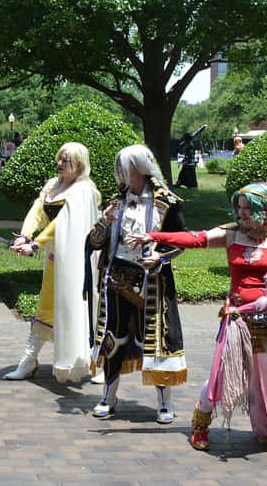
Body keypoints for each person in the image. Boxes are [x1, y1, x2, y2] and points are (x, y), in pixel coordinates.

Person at [125, 181, 267, 457]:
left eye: (248, 209)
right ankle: (200, 426)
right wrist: (155, 236)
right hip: (238, 317)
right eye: (239, 208)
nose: (242, 214)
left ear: (266, 209)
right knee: (219, 376)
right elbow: (196, 238)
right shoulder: (232, 234)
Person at [87, 144, 188, 423]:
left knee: (154, 341)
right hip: (117, 278)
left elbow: (181, 240)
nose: (122, 175)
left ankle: (165, 403)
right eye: (120, 169)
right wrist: (103, 223)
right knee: (113, 338)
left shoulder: (167, 202)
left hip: (152, 282)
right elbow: (95, 243)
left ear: (141, 169)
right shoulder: (116, 201)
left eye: (127, 169)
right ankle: (108, 396)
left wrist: (159, 256)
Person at [6, 143, 102, 384]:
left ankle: (97, 364)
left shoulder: (84, 190)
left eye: (65, 160)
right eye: (58, 159)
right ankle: (28, 361)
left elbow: (62, 223)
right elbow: (38, 211)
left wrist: (35, 244)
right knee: (45, 306)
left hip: (79, 261)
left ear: (79, 165)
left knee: (82, 310)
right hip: (54, 258)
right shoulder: (53, 185)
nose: (59, 164)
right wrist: (24, 236)